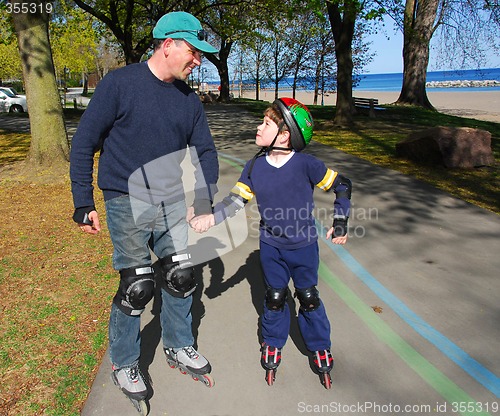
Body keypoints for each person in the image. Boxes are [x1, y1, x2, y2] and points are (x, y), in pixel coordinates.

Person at [70, 11, 219, 401]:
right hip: (125, 199)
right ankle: (124, 362)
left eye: (200, 54)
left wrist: (204, 200)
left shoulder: (189, 101)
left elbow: (205, 150)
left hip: (170, 200)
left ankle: (178, 343)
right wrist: (83, 201)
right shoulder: (119, 84)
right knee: (137, 286)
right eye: (193, 51)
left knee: (180, 276)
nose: (198, 60)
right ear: (168, 45)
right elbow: (84, 142)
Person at [190, 98, 352, 388]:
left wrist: (340, 221)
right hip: (271, 247)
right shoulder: (255, 167)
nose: (258, 126)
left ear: (284, 134)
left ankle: (319, 345)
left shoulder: (306, 165)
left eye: (266, 123)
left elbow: (342, 185)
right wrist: (210, 219)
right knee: (275, 298)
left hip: (303, 247)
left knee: (308, 297)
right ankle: (273, 341)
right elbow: (236, 200)